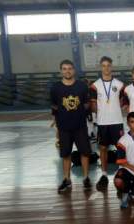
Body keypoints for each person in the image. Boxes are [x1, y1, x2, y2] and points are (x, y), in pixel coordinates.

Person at [50, 59, 92, 193]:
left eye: (69, 68)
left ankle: (86, 177)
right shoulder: (55, 88)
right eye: (64, 68)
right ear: (61, 71)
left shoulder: (82, 86)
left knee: (85, 152)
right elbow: (55, 107)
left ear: (73, 70)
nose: (67, 71)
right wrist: (56, 124)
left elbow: (86, 105)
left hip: (80, 126)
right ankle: (67, 179)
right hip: (64, 128)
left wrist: (80, 116)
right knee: (65, 154)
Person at [90, 56, 125, 190]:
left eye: (108, 65)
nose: (106, 68)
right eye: (103, 65)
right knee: (103, 148)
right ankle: (104, 174)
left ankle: (122, 171)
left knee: (120, 147)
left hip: (116, 121)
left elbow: (123, 103)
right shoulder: (94, 86)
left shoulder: (120, 85)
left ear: (112, 67)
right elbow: (93, 106)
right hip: (102, 122)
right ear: (100, 67)